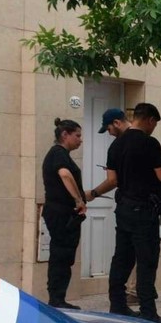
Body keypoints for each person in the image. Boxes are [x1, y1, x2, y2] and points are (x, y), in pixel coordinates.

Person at [105, 103, 161, 323]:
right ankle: (148, 311)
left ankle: (117, 305)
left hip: (123, 208)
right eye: (155, 124)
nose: (154, 128)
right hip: (143, 210)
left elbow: (112, 179)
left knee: (122, 258)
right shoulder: (149, 143)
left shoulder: (116, 145)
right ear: (150, 120)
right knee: (146, 261)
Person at [42, 118, 86, 309]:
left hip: (61, 212)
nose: (80, 140)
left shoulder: (61, 155)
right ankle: (57, 299)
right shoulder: (58, 154)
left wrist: (86, 195)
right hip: (61, 213)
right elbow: (65, 175)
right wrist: (78, 200)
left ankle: (58, 298)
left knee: (64, 256)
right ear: (65, 134)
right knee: (61, 256)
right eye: (77, 135)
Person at [85, 107, 130, 202]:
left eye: (109, 129)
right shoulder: (146, 138)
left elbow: (112, 181)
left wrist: (93, 193)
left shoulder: (116, 147)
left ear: (116, 123)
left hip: (129, 202)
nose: (110, 134)